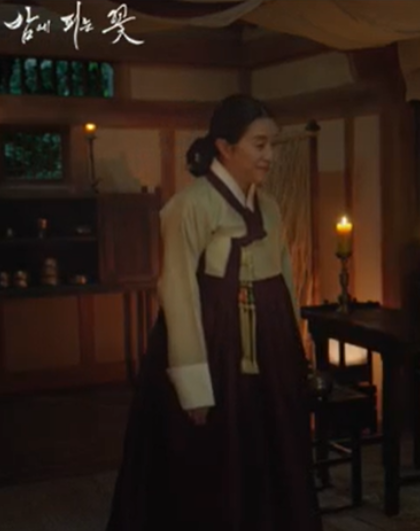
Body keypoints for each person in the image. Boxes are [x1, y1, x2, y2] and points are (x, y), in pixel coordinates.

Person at [105, 94, 321, 531]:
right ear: (225, 147)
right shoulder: (190, 206)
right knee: (210, 455)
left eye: (272, 144)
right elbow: (178, 290)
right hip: (213, 339)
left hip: (269, 341)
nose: (270, 155)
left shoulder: (270, 207)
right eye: (259, 144)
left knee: (276, 445)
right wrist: (193, 385)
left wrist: (294, 354)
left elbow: (284, 280)